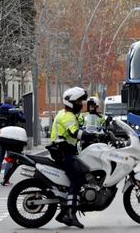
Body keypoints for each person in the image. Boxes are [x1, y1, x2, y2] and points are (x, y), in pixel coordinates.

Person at [50, 86, 96, 228]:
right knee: (77, 178)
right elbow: (75, 133)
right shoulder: (67, 116)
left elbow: (80, 128)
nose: (81, 105)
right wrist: (94, 136)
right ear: (71, 102)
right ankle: (70, 214)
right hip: (63, 153)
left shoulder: (68, 114)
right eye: (78, 102)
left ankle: (63, 213)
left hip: (65, 151)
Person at [0, 96, 26, 186]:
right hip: (11, 138)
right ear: (12, 102)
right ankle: (6, 180)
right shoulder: (14, 111)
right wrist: (21, 111)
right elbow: (24, 119)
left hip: (1, 137)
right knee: (10, 159)